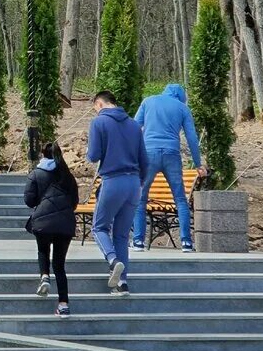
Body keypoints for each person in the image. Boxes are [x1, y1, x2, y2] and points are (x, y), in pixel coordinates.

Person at [87, 89, 148, 294]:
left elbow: (93, 155)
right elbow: (144, 160)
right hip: (133, 185)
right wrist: (139, 182)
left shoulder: (99, 123)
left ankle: (112, 260)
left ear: (99, 104)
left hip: (113, 181)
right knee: (121, 235)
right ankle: (122, 283)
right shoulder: (133, 125)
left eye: (95, 107)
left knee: (99, 227)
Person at [133, 83, 205, 252]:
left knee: (140, 198)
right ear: (181, 97)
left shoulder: (148, 101)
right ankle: (186, 242)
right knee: (180, 199)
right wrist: (198, 163)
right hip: (172, 154)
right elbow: (192, 138)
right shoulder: (182, 108)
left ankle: (138, 241)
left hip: (148, 153)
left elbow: (134, 127)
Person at [24, 142, 80, 318]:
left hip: (43, 222)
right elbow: (74, 202)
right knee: (60, 265)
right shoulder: (68, 176)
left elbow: (29, 201)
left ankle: (44, 276)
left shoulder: (36, 174)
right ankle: (63, 305)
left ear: (42, 154)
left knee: (43, 250)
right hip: (65, 223)